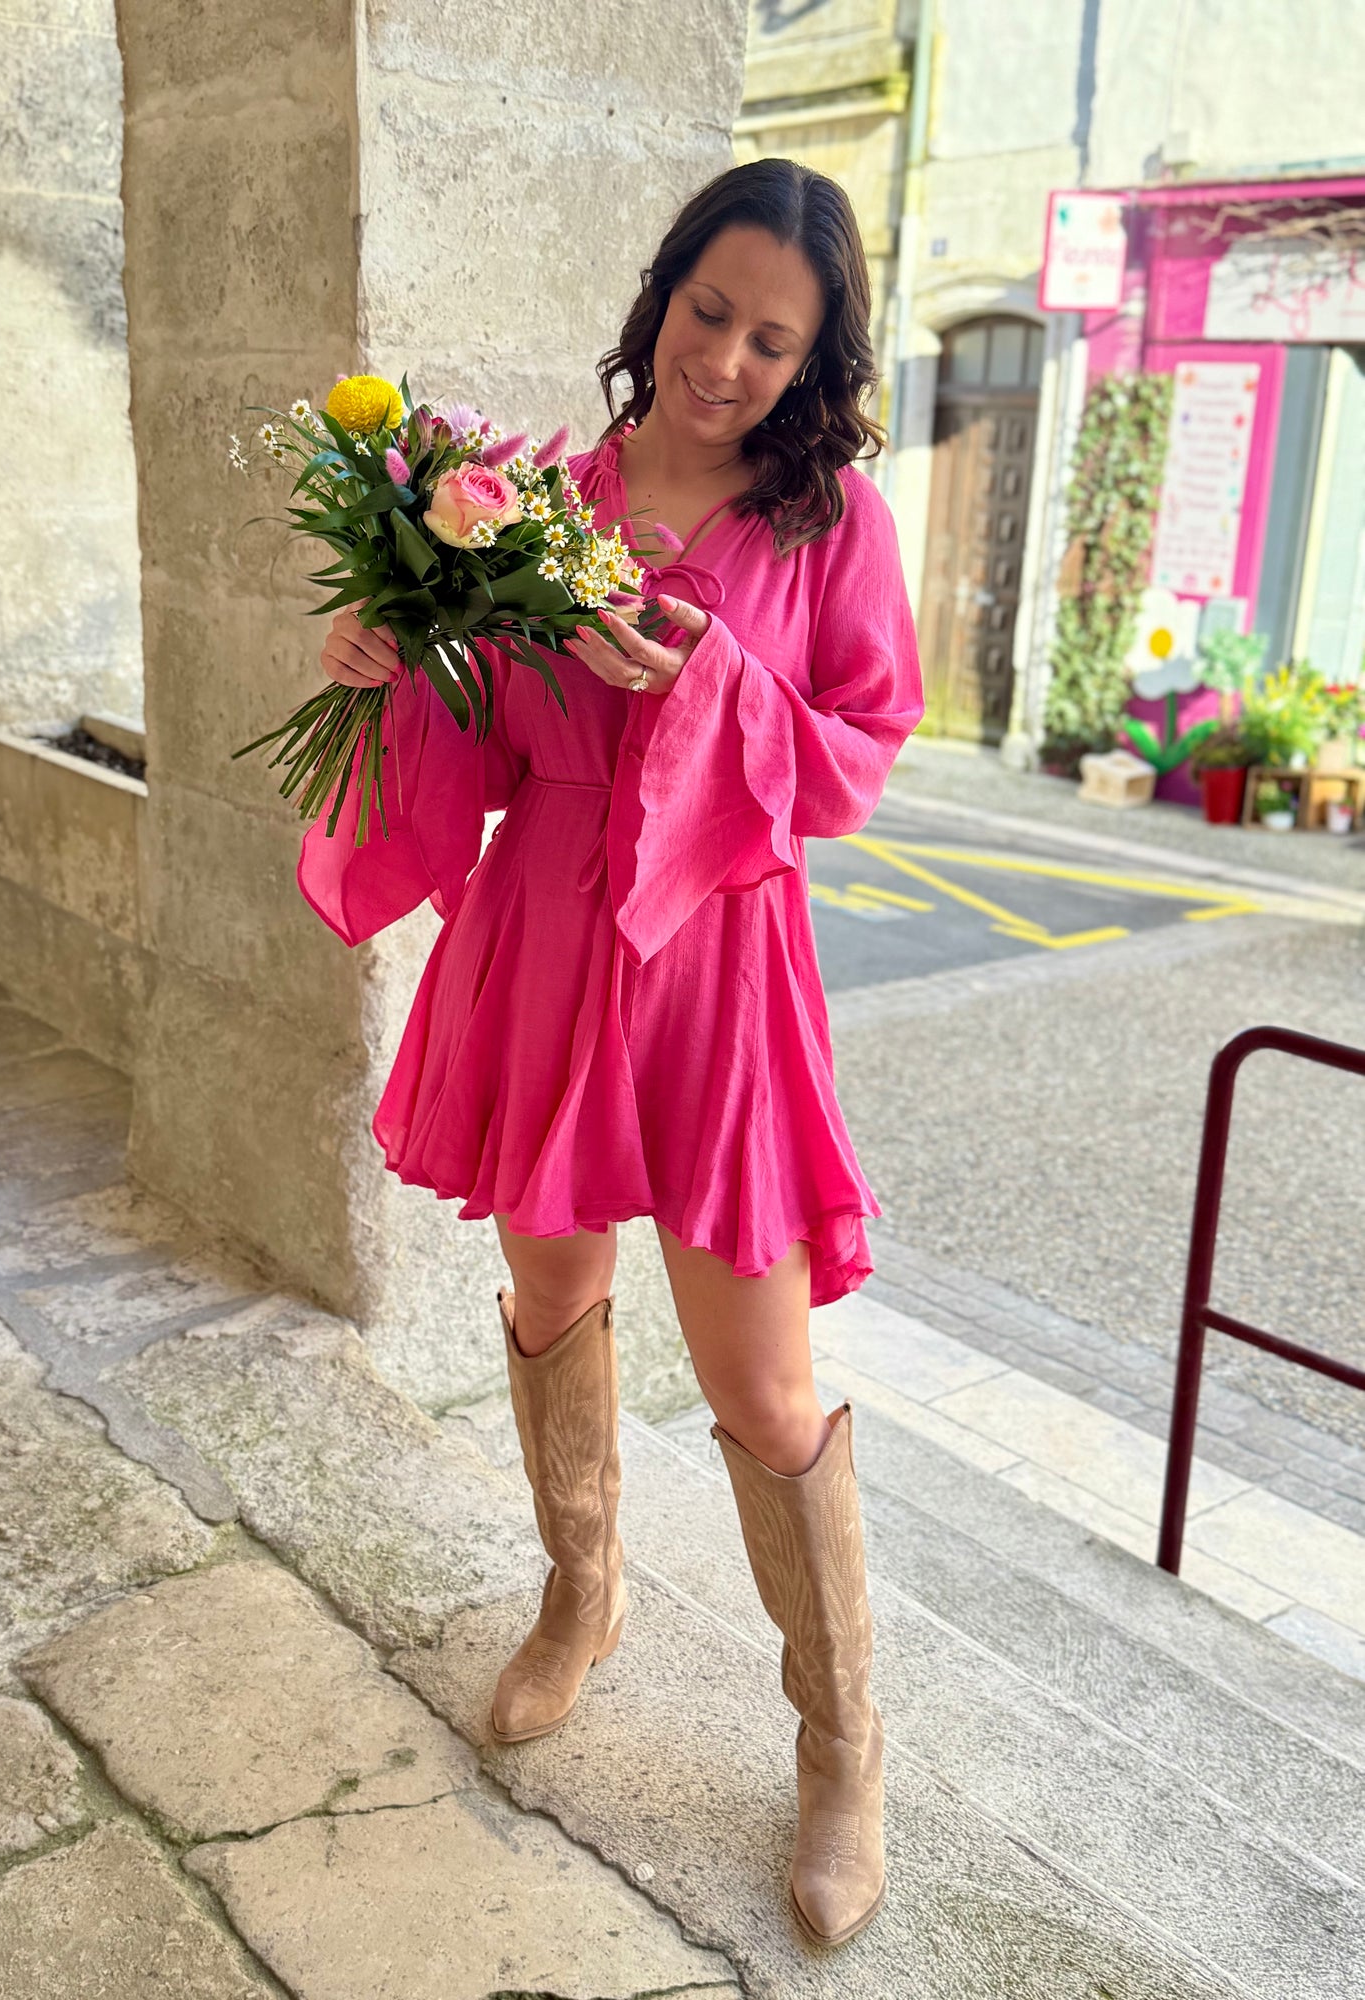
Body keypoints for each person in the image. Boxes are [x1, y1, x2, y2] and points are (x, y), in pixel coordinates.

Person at [297, 157, 924, 1949]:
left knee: (766, 1389)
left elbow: (858, 760)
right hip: (547, 941)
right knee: (551, 1295)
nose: (726, 360)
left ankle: (841, 1741)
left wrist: (708, 679)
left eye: (773, 341)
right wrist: (382, 660)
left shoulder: (831, 527)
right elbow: (483, 747)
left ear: (816, 360)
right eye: (708, 313)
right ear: (662, 299)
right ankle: (584, 1592)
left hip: (719, 962)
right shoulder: (534, 505)